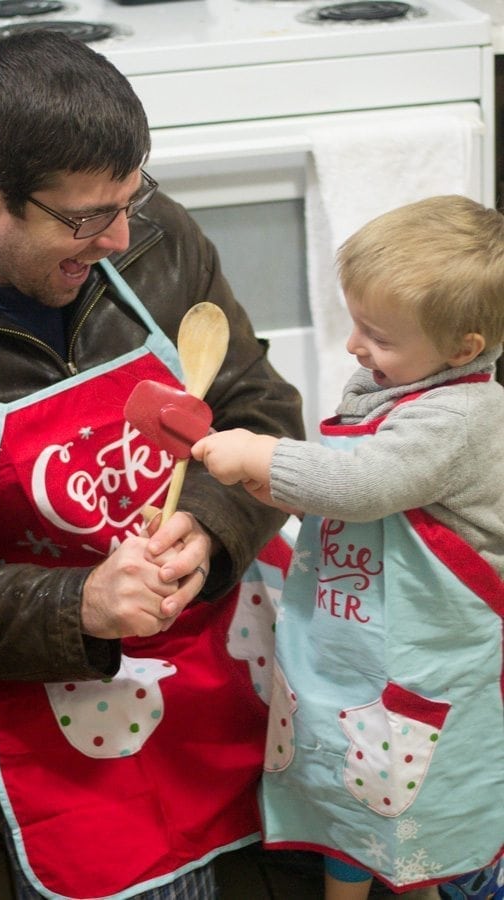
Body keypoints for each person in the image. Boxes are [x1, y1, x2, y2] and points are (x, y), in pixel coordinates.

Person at [0, 29, 307, 900]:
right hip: (58, 676)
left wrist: (211, 525)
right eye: (87, 220)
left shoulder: (157, 240)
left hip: (226, 620)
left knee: (352, 821)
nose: (122, 238)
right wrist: (80, 603)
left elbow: (262, 409)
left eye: (132, 198)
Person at [192, 195, 504, 899]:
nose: (356, 347)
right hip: (361, 632)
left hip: (430, 648)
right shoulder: (397, 381)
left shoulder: (459, 416)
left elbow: (367, 482)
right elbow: (354, 496)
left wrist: (266, 456)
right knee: (348, 785)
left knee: (410, 805)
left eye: (379, 336)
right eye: (357, 324)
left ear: (463, 349)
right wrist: (286, 490)